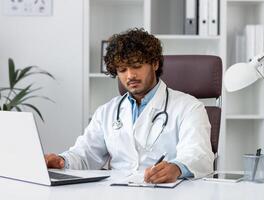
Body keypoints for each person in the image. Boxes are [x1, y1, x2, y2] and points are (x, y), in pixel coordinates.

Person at [45, 28, 214, 183]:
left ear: (155, 64)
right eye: (122, 69)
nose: (130, 75)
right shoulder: (107, 111)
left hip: (167, 191)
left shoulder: (189, 107)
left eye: (136, 66)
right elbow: (85, 154)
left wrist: (177, 168)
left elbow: (199, 154)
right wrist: (62, 161)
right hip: (117, 191)